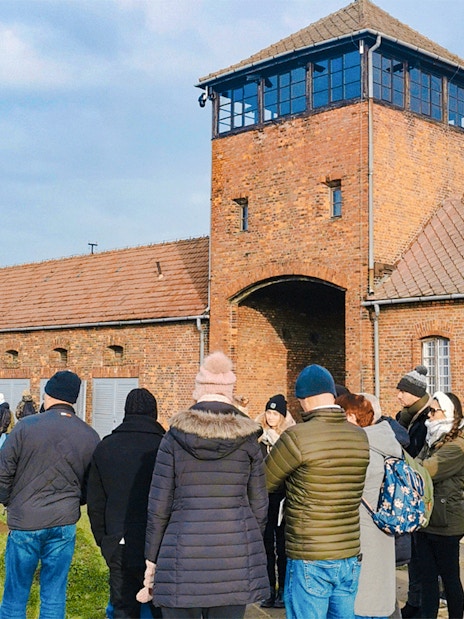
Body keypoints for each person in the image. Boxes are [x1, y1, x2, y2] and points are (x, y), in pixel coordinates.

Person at [140, 351, 269, 619]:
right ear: (230, 392)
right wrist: (246, 541)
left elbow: (158, 507)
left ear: (198, 391)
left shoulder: (174, 437)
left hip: (181, 556)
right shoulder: (248, 440)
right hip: (233, 558)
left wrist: (151, 560)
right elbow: (259, 504)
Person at [265, 364, 370, 619]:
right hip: (348, 553)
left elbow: (264, 481)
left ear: (306, 399)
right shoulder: (360, 437)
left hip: (309, 554)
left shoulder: (296, 437)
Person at [0, 370, 100, 619]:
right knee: (54, 595)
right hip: (63, 521)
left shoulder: (25, 427)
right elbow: (90, 485)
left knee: (15, 595)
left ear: (48, 394)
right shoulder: (90, 435)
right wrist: (74, 501)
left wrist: (8, 501)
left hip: (25, 519)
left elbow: (3, 472)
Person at [87, 388, 165, 619]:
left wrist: (104, 540)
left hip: (118, 540)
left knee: (122, 608)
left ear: (125, 412)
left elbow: (96, 502)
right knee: (160, 608)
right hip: (158, 542)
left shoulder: (106, 447)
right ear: (154, 413)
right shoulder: (165, 448)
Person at [337, 392, 403, 619]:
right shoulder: (385, 443)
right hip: (382, 533)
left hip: (363, 535)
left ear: (352, 417)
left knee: (363, 604)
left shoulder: (361, 449)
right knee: (378, 599)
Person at [415, 391, 464, 619]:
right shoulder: (433, 439)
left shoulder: (457, 447)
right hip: (428, 519)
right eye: (429, 411)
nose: (429, 416)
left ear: (449, 414)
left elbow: (426, 470)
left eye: (434, 411)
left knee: (449, 578)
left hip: (447, 523)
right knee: (427, 579)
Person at [395, 365, 432, 618]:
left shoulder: (424, 420)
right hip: (413, 492)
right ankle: (415, 601)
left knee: (421, 558)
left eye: (402, 391)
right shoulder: (408, 418)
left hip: (419, 493)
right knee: (415, 557)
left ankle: (418, 603)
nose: (398, 395)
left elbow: (415, 455)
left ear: (415, 394)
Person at [256, 393, 295, 609]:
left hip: (282, 498)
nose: (271, 418)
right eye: (268, 413)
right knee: (266, 546)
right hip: (264, 497)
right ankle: (269, 589)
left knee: (282, 546)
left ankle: (282, 590)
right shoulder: (258, 438)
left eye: (275, 414)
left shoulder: (287, 438)